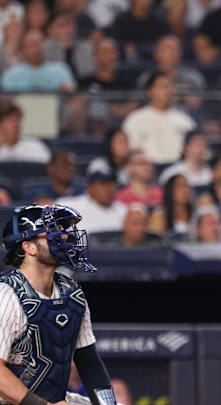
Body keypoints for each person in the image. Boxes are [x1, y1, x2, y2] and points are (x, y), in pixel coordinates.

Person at [0, 204, 119, 405]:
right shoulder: (7, 294)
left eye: (62, 231)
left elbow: (89, 363)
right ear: (29, 247)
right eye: (53, 231)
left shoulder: (71, 292)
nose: (64, 237)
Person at [121, 73, 196, 164]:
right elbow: (129, 150)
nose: (169, 91)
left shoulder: (184, 120)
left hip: (177, 168)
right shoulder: (135, 120)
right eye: (163, 87)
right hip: (146, 167)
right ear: (149, 92)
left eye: (170, 87)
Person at [56, 164, 128, 234]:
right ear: (89, 188)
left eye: (112, 185)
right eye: (103, 184)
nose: (110, 189)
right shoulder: (69, 206)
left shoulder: (123, 210)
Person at [1, 29, 76, 92]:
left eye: (40, 43)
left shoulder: (61, 70)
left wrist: (67, 90)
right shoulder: (11, 75)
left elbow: (73, 95)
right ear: (22, 49)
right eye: (31, 45)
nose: (36, 49)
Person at [137, 35, 206, 91]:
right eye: (167, 48)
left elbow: (198, 104)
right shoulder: (146, 78)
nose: (172, 52)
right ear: (156, 54)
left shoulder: (193, 77)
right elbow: (141, 103)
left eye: (175, 49)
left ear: (181, 54)